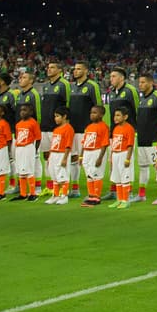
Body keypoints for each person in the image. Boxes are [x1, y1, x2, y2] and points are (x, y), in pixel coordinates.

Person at [67, 62, 102, 198]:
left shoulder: (92, 86)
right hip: (74, 128)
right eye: (74, 69)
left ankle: (94, 190)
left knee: (89, 160)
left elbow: (98, 107)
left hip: (88, 130)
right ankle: (75, 188)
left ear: (86, 71)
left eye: (79, 69)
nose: (75, 71)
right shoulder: (72, 87)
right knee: (74, 158)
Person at [134, 72, 157, 204]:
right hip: (142, 139)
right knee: (142, 166)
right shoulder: (142, 99)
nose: (140, 85)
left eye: (143, 82)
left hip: (154, 139)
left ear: (150, 83)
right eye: (139, 82)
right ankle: (141, 194)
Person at [38, 62, 70, 197]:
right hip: (45, 125)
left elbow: (67, 104)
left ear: (60, 70)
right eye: (48, 67)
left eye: (52, 67)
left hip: (57, 127)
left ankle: (64, 185)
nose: (49, 69)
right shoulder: (45, 86)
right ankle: (51, 185)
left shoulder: (64, 84)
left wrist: (65, 123)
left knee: (59, 155)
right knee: (46, 155)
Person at [79, 104, 111, 207]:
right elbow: (84, 142)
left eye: (94, 113)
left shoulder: (103, 127)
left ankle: (96, 197)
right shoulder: (88, 127)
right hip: (87, 153)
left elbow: (105, 143)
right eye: (91, 113)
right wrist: (81, 156)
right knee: (89, 175)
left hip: (96, 152)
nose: (92, 115)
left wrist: (100, 158)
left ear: (101, 115)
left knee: (96, 174)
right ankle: (91, 195)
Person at [46, 107, 74, 205]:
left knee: (62, 175)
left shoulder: (68, 129)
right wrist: (50, 157)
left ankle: (64, 196)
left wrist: (65, 158)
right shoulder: (56, 129)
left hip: (62, 154)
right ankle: (55, 195)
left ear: (64, 116)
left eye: (58, 116)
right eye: (55, 116)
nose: (55, 119)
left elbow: (68, 145)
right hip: (54, 154)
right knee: (54, 176)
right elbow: (53, 144)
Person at [12, 104, 41, 202]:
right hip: (19, 147)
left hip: (28, 147)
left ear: (31, 112)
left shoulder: (33, 123)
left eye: (25, 110)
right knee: (21, 171)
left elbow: (38, 138)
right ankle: (23, 194)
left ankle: (33, 193)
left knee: (29, 170)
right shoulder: (18, 124)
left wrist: (35, 150)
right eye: (21, 110)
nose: (22, 112)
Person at [109, 108, 136, 208]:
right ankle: (119, 199)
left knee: (125, 177)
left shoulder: (129, 128)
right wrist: (111, 157)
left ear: (125, 117)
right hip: (116, 154)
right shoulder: (116, 128)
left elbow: (130, 145)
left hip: (124, 154)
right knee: (117, 178)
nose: (115, 117)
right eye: (115, 115)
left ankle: (126, 200)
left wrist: (128, 159)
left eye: (118, 115)